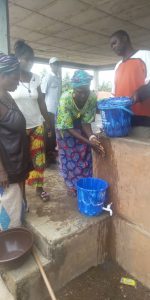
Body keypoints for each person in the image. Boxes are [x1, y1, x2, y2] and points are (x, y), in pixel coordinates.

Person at [11, 40, 50, 202]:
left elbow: (41, 101)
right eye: (27, 59)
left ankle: (39, 188)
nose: (30, 62)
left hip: (37, 126)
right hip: (18, 128)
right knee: (21, 162)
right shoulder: (10, 78)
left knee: (39, 159)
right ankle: (22, 196)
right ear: (18, 59)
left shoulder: (36, 78)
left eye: (32, 59)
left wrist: (48, 123)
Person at [56, 70, 105, 196]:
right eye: (79, 92)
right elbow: (68, 127)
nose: (83, 95)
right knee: (69, 155)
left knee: (84, 153)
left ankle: (84, 182)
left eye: (86, 91)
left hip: (80, 124)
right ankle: (71, 185)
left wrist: (92, 138)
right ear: (74, 89)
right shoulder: (65, 98)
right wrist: (89, 142)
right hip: (65, 127)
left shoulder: (92, 97)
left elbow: (85, 122)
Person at [0, 53, 30, 230]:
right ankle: (8, 239)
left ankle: (17, 229)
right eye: (15, 78)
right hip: (7, 164)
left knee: (17, 205)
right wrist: (1, 170)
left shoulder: (6, 96)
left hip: (16, 157)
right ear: (2, 75)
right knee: (7, 210)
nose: (18, 83)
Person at [110, 30, 150, 136]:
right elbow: (114, 95)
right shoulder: (118, 66)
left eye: (115, 43)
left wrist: (139, 94)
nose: (113, 47)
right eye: (111, 46)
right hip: (121, 123)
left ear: (124, 38)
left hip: (142, 122)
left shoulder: (145, 55)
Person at [41, 57, 62, 160]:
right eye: (54, 64)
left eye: (57, 64)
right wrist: (42, 110)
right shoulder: (47, 77)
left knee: (55, 130)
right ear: (50, 65)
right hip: (48, 109)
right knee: (49, 131)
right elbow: (43, 93)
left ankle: (53, 149)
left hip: (56, 108)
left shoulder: (58, 78)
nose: (56, 66)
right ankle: (48, 152)